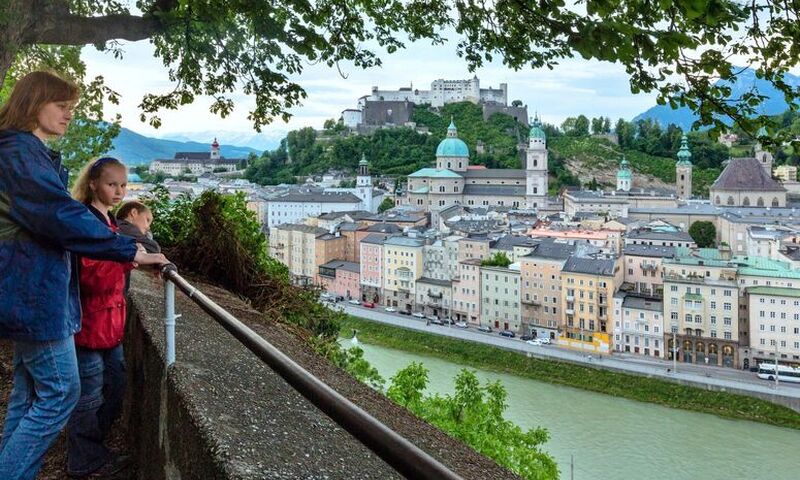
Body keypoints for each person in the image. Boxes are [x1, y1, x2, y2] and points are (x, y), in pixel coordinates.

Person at [0, 71, 169, 480]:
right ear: (33, 103)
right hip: (35, 293)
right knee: (61, 393)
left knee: (28, 394)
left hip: (26, 290)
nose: (69, 114)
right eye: (62, 106)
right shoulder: (20, 152)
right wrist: (131, 250)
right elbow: (60, 216)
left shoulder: (20, 150)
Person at [65, 157, 142, 478]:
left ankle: (93, 448)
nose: (119, 191)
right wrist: (127, 259)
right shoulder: (88, 221)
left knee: (115, 383)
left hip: (107, 323)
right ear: (94, 184)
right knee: (90, 395)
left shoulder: (105, 219)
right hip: (90, 323)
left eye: (123, 185)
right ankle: (83, 458)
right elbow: (91, 278)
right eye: (112, 184)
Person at [116, 200, 161, 294]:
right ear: (134, 213)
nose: (148, 227)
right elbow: (153, 248)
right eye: (147, 220)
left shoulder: (116, 226)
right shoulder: (125, 227)